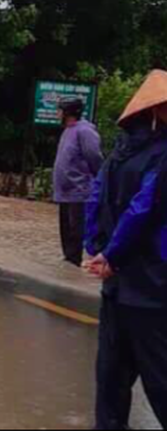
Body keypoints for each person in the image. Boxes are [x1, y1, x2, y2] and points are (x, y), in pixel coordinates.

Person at [84, 69, 167, 430]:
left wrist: (99, 250)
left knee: (111, 382)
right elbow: (144, 208)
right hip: (152, 286)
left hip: (115, 285)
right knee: (161, 380)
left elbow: (94, 199)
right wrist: (112, 254)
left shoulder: (118, 153)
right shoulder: (162, 155)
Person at [53, 96, 104, 266]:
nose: (57, 113)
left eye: (59, 110)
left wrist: (98, 181)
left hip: (79, 189)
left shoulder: (85, 131)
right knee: (65, 230)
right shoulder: (68, 130)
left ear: (68, 112)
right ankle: (68, 264)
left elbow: (94, 157)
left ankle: (74, 262)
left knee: (76, 230)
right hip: (65, 190)